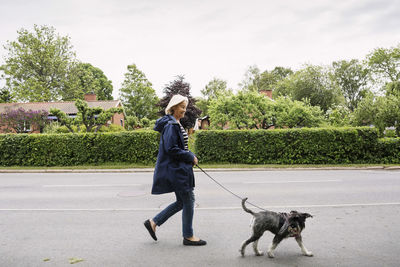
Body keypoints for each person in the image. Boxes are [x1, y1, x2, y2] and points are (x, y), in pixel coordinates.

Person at [144, 94, 207, 246]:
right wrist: (190, 156)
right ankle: (188, 236)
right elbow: (171, 148)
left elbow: (179, 147)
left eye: (185, 107)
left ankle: (153, 222)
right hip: (176, 170)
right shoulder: (171, 125)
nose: (184, 110)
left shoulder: (175, 123)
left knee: (181, 202)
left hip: (179, 169)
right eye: (182, 107)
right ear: (173, 108)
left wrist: (188, 157)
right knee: (189, 200)